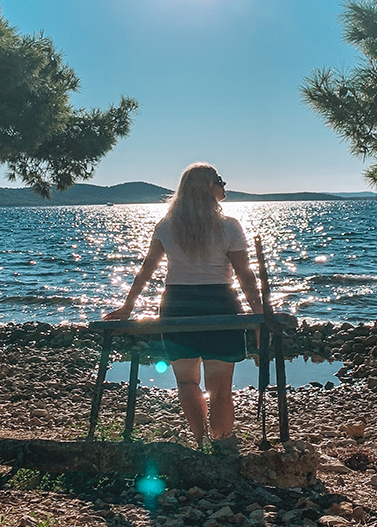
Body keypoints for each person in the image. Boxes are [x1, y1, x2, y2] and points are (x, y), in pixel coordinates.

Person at [105, 163, 262, 445]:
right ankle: (223, 444)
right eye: (219, 181)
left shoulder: (166, 226)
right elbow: (245, 275)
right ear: (207, 187)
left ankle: (200, 442)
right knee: (221, 389)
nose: (224, 186)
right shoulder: (229, 226)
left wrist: (128, 307)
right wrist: (261, 315)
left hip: (178, 304)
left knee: (188, 382)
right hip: (219, 304)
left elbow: (146, 270)